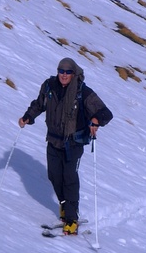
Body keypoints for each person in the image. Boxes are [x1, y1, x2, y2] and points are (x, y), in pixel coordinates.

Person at [18, 57, 113, 235]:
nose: (63, 75)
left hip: (74, 143)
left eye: (68, 72)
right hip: (53, 140)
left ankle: (71, 219)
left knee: (69, 178)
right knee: (54, 175)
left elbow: (105, 113)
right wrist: (28, 117)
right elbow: (39, 104)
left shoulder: (82, 92)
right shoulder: (50, 86)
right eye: (61, 71)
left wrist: (95, 120)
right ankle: (64, 206)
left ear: (74, 73)